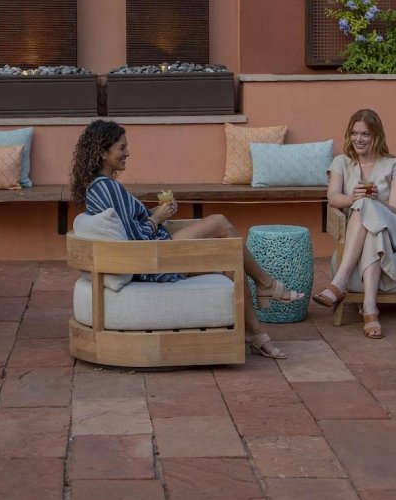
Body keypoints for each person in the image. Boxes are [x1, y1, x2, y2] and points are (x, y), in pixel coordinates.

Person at [69, 119, 304, 359]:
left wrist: (157, 214)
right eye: (121, 148)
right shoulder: (107, 187)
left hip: (154, 249)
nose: (128, 153)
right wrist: (157, 218)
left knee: (229, 250)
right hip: (152, 260)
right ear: (101, 152)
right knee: (221, 223)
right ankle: (265, 289)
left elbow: (131, 226)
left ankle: (257, 325)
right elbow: (135, 241)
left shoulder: (100, 187)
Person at [312, 108, 396, 339]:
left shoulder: (395, 164)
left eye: (365, 134)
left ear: (377, 136)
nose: (358, 139)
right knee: (368, 225)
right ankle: (370, 310)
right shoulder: (341, 162)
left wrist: (376, 201)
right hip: (366, 229)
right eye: (354, 133)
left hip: (395, 228)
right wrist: (353, 199)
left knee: (367, 208)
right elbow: (333, 197)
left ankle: (338, 283)